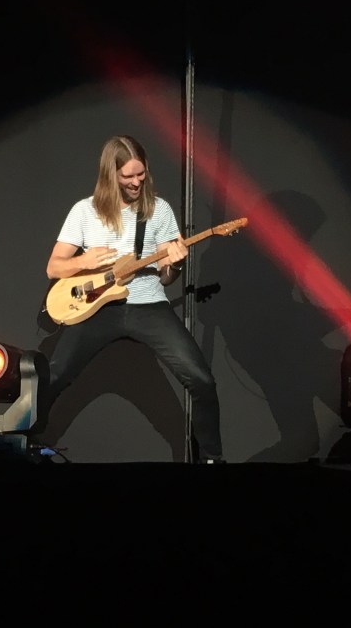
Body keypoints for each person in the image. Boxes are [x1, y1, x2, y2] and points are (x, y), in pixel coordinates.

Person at [36, 134, 224, 464]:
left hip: (148, 306)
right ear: (111, 174)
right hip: (97, 307)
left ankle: (211, 460)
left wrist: (175, 263)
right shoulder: (84, 211)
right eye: (128, 176)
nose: (137, 182)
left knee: (201, 378)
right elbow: (54, 267)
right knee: (54, 374)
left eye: (141, 174)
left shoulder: (159, 210)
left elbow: (167, 278)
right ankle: (24, 448)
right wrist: (84, 261)